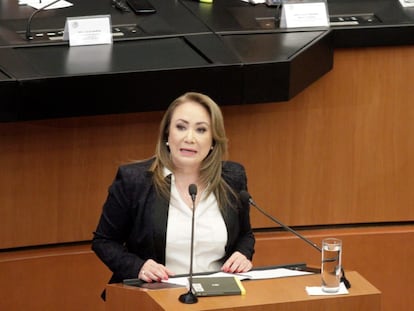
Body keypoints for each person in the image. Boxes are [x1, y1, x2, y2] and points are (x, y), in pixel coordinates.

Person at [92, 92, 255, 298]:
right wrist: (138, 266)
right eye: (181, 127)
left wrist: (243, 254)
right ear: (167, 134)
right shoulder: (136, 181)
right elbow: (104, 241)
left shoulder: (232, 178)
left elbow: (245, 235)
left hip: (217, 297)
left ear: (213, 140)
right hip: (153, 298)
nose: (189, 138)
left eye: (201, 129)